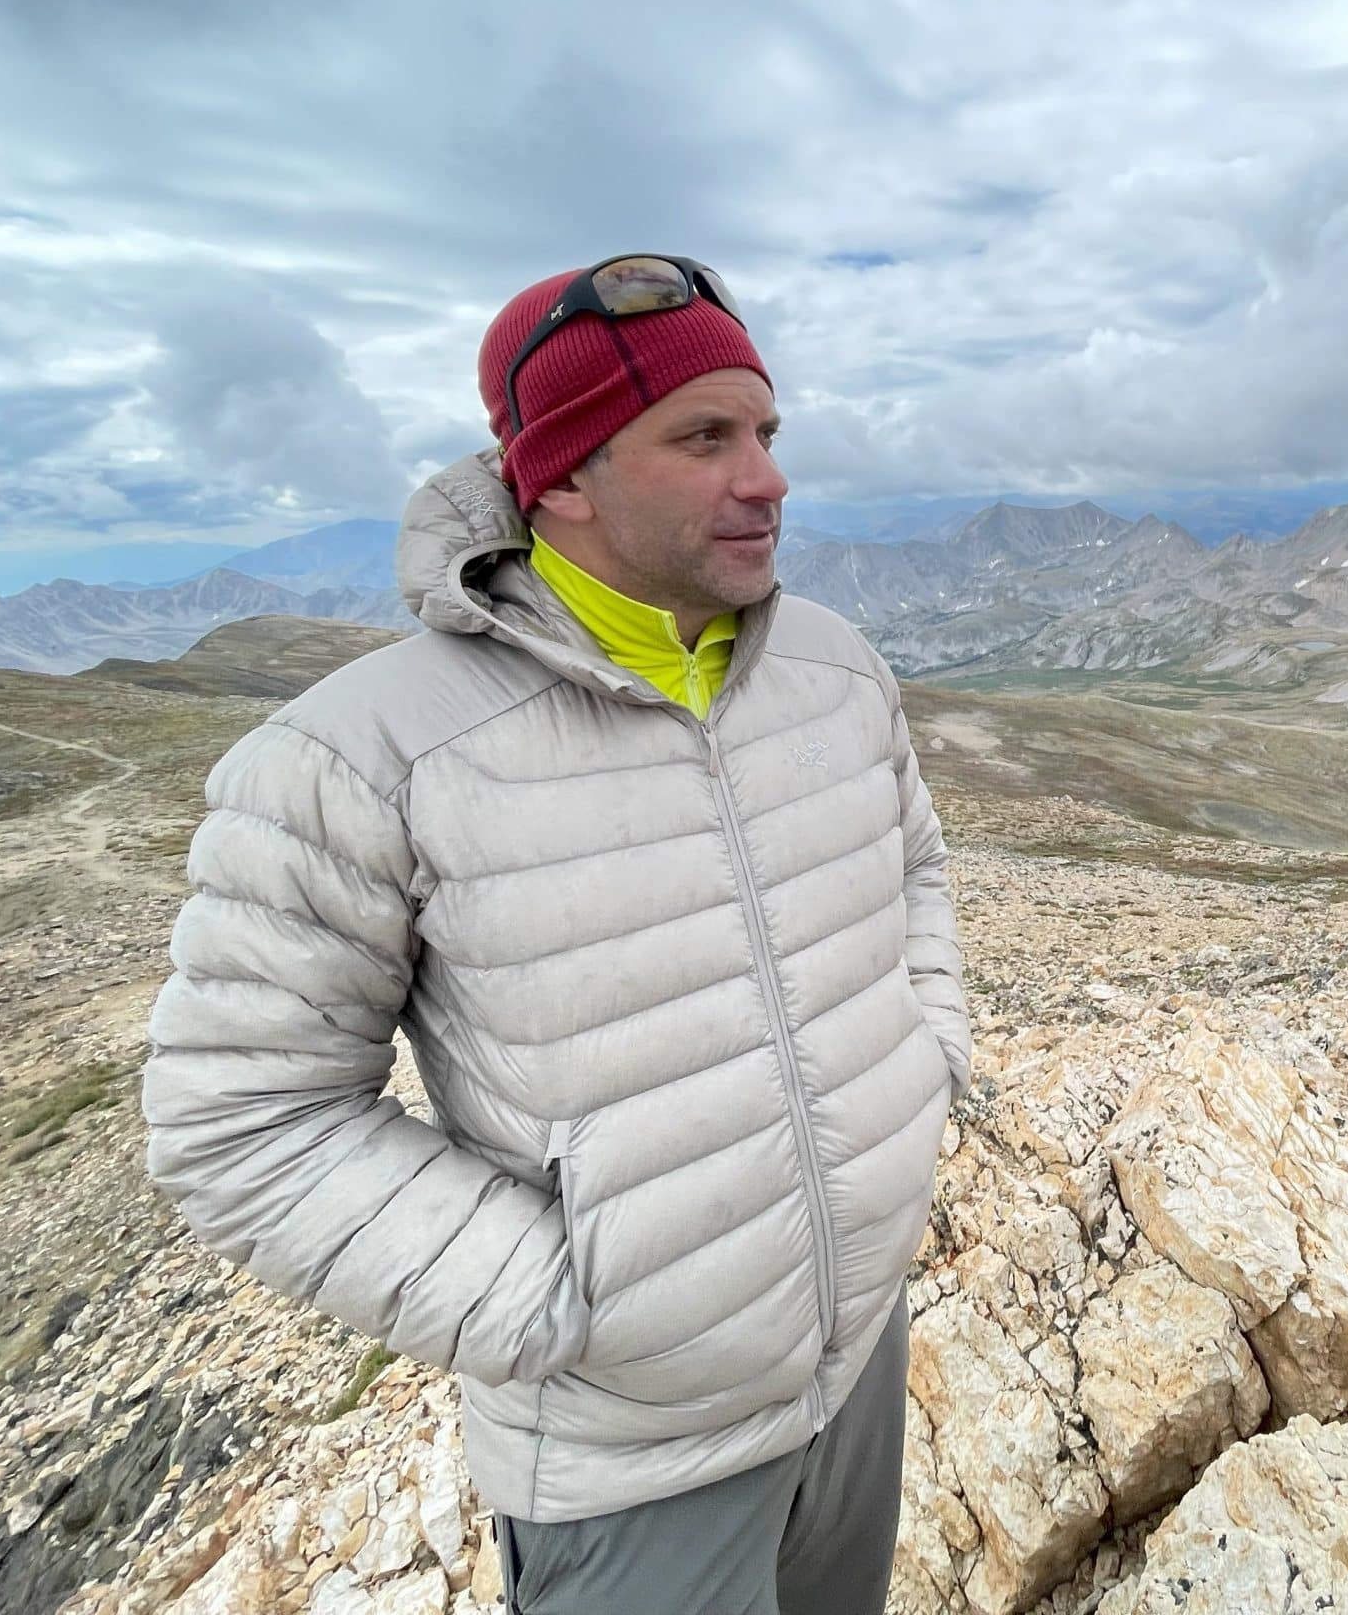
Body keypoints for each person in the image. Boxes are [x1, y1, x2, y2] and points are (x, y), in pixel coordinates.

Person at [142, 255, 974, 1614]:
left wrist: (925, 1058)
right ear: (564, 477)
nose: (765, 478)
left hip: (860, 1364)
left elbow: (915, 865)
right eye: (704, 438)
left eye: (765, 433)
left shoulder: (833, 665)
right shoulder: (359, 756)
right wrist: (568, 1305)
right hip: (630, 1462)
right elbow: (242, 1122)